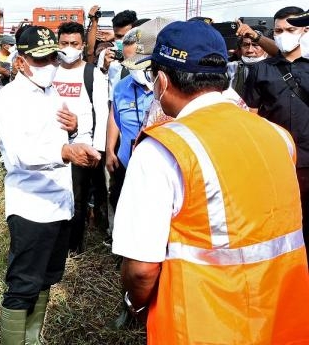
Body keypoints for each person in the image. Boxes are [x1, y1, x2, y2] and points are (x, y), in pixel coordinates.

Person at [112, 20, 309, 344]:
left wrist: (134, 303)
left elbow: (142, 270)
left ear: (161, 81)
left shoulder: (163, 151)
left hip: (204, 327)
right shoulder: (278, 137)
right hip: (282, 323)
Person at [0, 25, 101, 344]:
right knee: (23, 284)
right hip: (31, 207)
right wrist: (65, 151)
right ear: (21, 61)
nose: (48, 66)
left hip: (59, 204)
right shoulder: (11, 98)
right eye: (39, 61)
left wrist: (75, 130)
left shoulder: (52, 91)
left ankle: (32, 338)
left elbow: (62, 136)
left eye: (51, 58)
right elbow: (18, 154)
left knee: (46, 279)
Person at [243, 6, 309, 261]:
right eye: (279, 30)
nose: (284, 35)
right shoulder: (262, 70)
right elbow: (251, 116)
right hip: (278, 163)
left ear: (304, 31)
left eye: (291, 30)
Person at [106, 17, 173, 222]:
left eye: (137, 62)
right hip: (127, 166)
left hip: (163, 172)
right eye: (128, 63)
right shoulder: (122, 86)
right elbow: (115, 117)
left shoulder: (174, 91)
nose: (132, 68)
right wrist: (110, 150)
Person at [53, 21, 109, 254]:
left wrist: (98, 150)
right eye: (64, 43)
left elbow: (101, 113)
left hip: (82, 145)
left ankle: (74, 247)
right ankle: (55, 242)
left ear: (82, 44)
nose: (69, 48)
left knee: (77, 199)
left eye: (74, 43)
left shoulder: (92, 74)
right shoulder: (51, 71)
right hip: (54, 147)